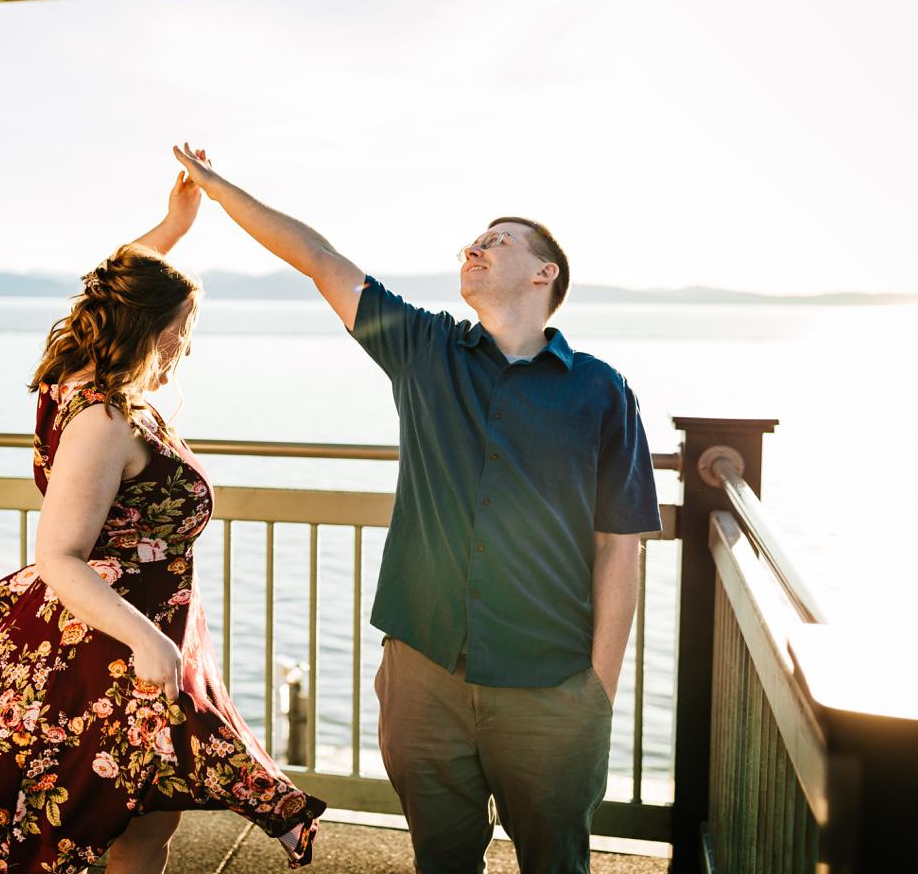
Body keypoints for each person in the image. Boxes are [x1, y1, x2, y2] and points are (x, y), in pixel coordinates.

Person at [0, 163, 325, 874]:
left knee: (134, 823)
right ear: (146, 328)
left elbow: (109, 281)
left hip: (135, 636)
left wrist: (172, 230)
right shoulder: (104, 419)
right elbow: (60, 555)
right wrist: (150, 643)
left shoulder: (79, 379)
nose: (186, 346)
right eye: (182, 330)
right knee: (131, 830)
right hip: (116, 646)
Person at [171, 144, 660, 874]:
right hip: (423, 678)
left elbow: (621, 545)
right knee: (441, 861)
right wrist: (214, 188)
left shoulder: (600, 391)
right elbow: (318, 257)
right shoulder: (426, 349)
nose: (476, 247)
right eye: (473, 240)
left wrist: (597, 692)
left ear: (543, 272)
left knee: (557, 865)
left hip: (551, 687)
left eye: (496, 241)